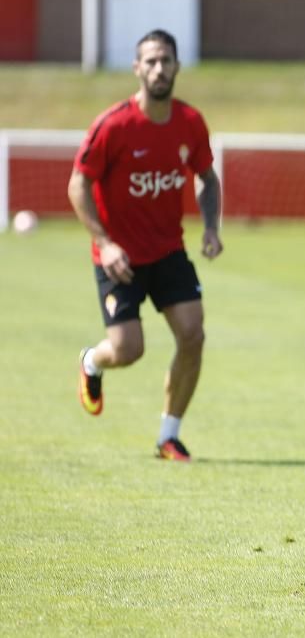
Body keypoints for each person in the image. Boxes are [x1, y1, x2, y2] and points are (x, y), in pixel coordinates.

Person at [68, 29, 223, 462]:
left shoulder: (190, 123)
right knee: (128, 350)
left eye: (166, 60)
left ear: (176, 66)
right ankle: (91, 362)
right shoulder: (114, 125)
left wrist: (211, 229)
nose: (159, 68)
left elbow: (206, 177)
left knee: (193, 334)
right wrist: (104, 241)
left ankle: (168, 435)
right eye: (151, 61)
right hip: (118, 256)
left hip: (169, 250)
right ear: (137, 68)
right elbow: (78, 183)